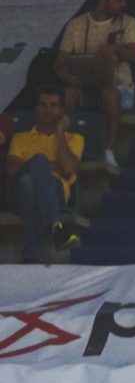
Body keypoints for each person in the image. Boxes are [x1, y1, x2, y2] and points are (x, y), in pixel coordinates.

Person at [55, 0, 135, 172]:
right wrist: (67, 76)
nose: (123, 4)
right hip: (84, 85)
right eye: (118, 0)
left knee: (110, 93)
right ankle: (65, 150)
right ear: (102, 1)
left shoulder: (128, 23)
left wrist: (115, 48)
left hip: (119, 87)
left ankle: (108, 149)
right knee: (67, 95)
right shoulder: (76, 24)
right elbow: (60, 61)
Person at [6, 84, 85, 262]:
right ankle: (56, 225)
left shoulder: (75, 138)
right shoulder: (21, 137)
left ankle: (31, 254)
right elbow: (11, 171)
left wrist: (60, 132)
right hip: (19, 196)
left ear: (61, 110)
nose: (47, 110)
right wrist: (50, 165)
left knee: (29, 180)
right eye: (43, 104)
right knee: (32, 172)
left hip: (57, 193)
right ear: (36, 108)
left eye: (53, 105)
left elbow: (68, 169)